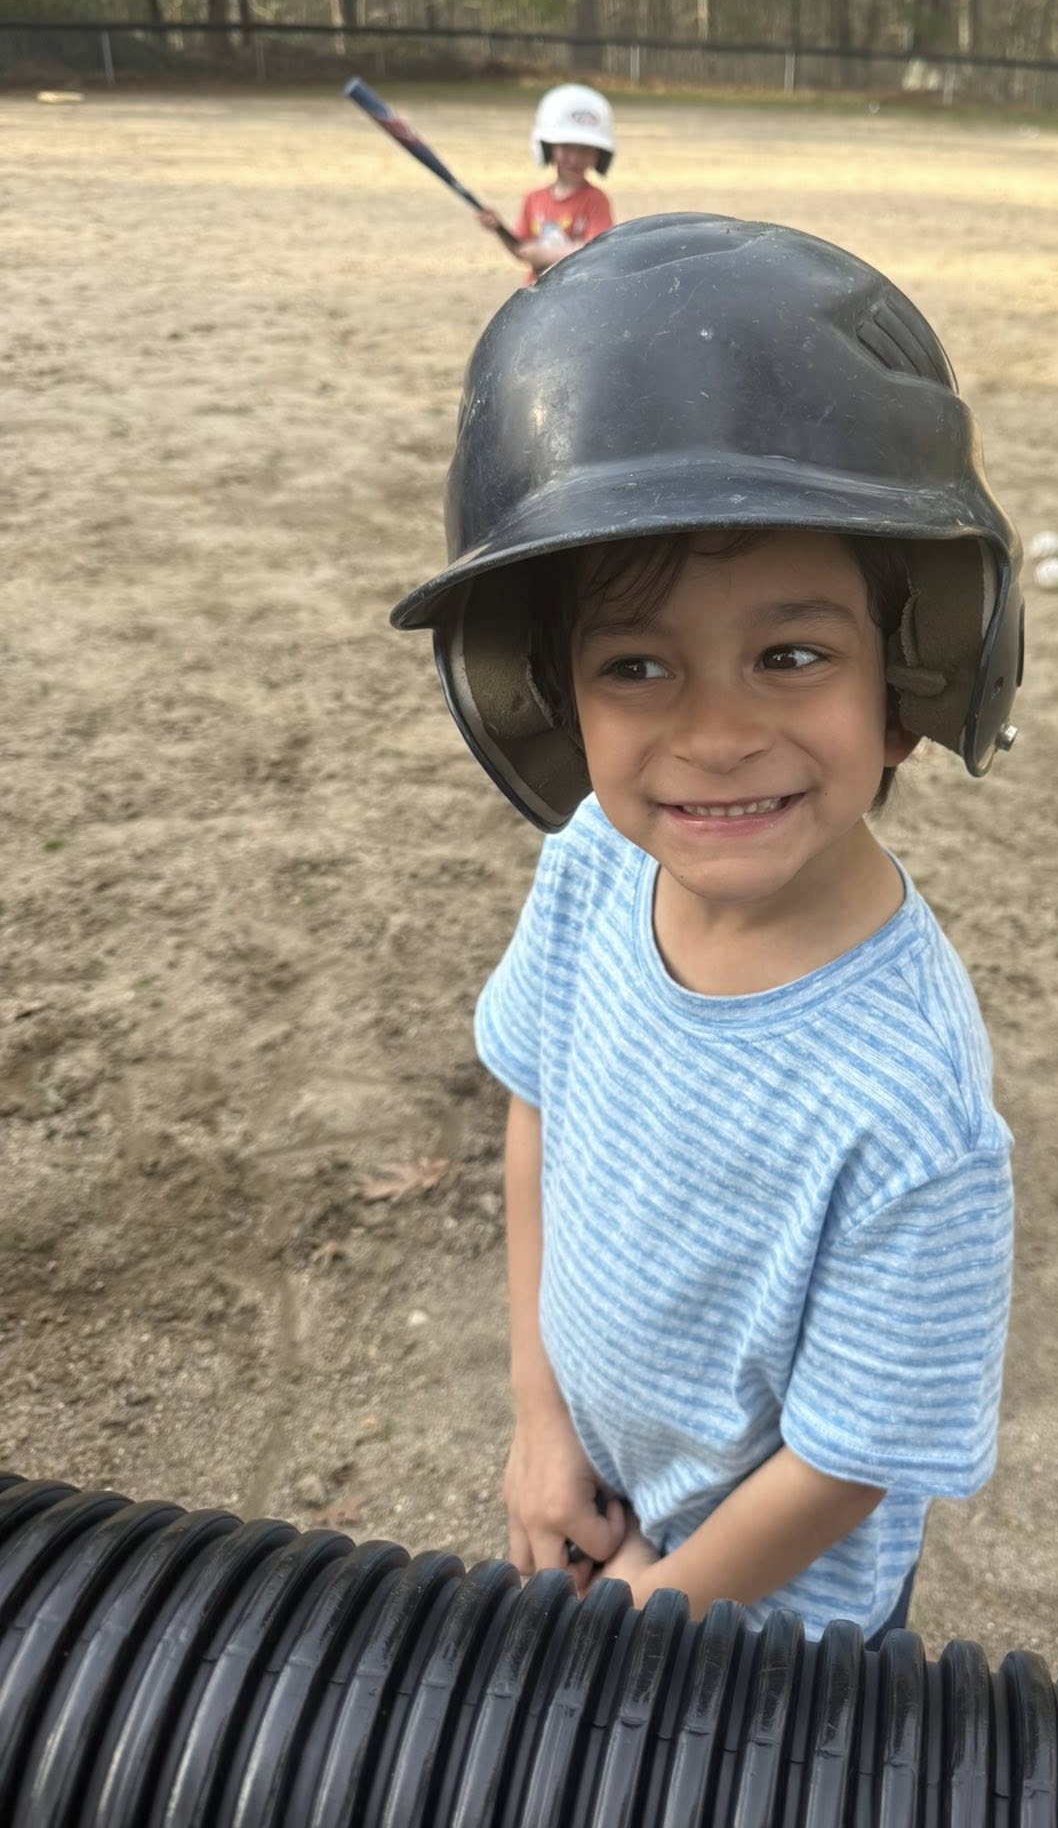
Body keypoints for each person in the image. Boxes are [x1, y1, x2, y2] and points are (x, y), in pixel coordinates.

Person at [390, 213, 1024, 1648]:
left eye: (791, 654)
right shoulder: (591, 873)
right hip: (599, 1497)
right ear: (553, 691)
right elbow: (538, 1115)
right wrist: (540, 1428)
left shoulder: (911, 1095)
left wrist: (658, 1612)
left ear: (911, 672)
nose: (719, 734)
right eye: (637, 664)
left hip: (773, 1631)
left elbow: (852, 1453)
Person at [476, 83, 616, 282]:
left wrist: (547, 254)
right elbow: (523, 251)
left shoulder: (596, 200)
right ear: (548, 148)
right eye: (566, 148)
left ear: (599, 156)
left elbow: (597, 251)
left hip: (577, 293)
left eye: (585, 150)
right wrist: (498, 228)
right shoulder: (534, 198)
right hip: (539, 295)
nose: (574, 159)